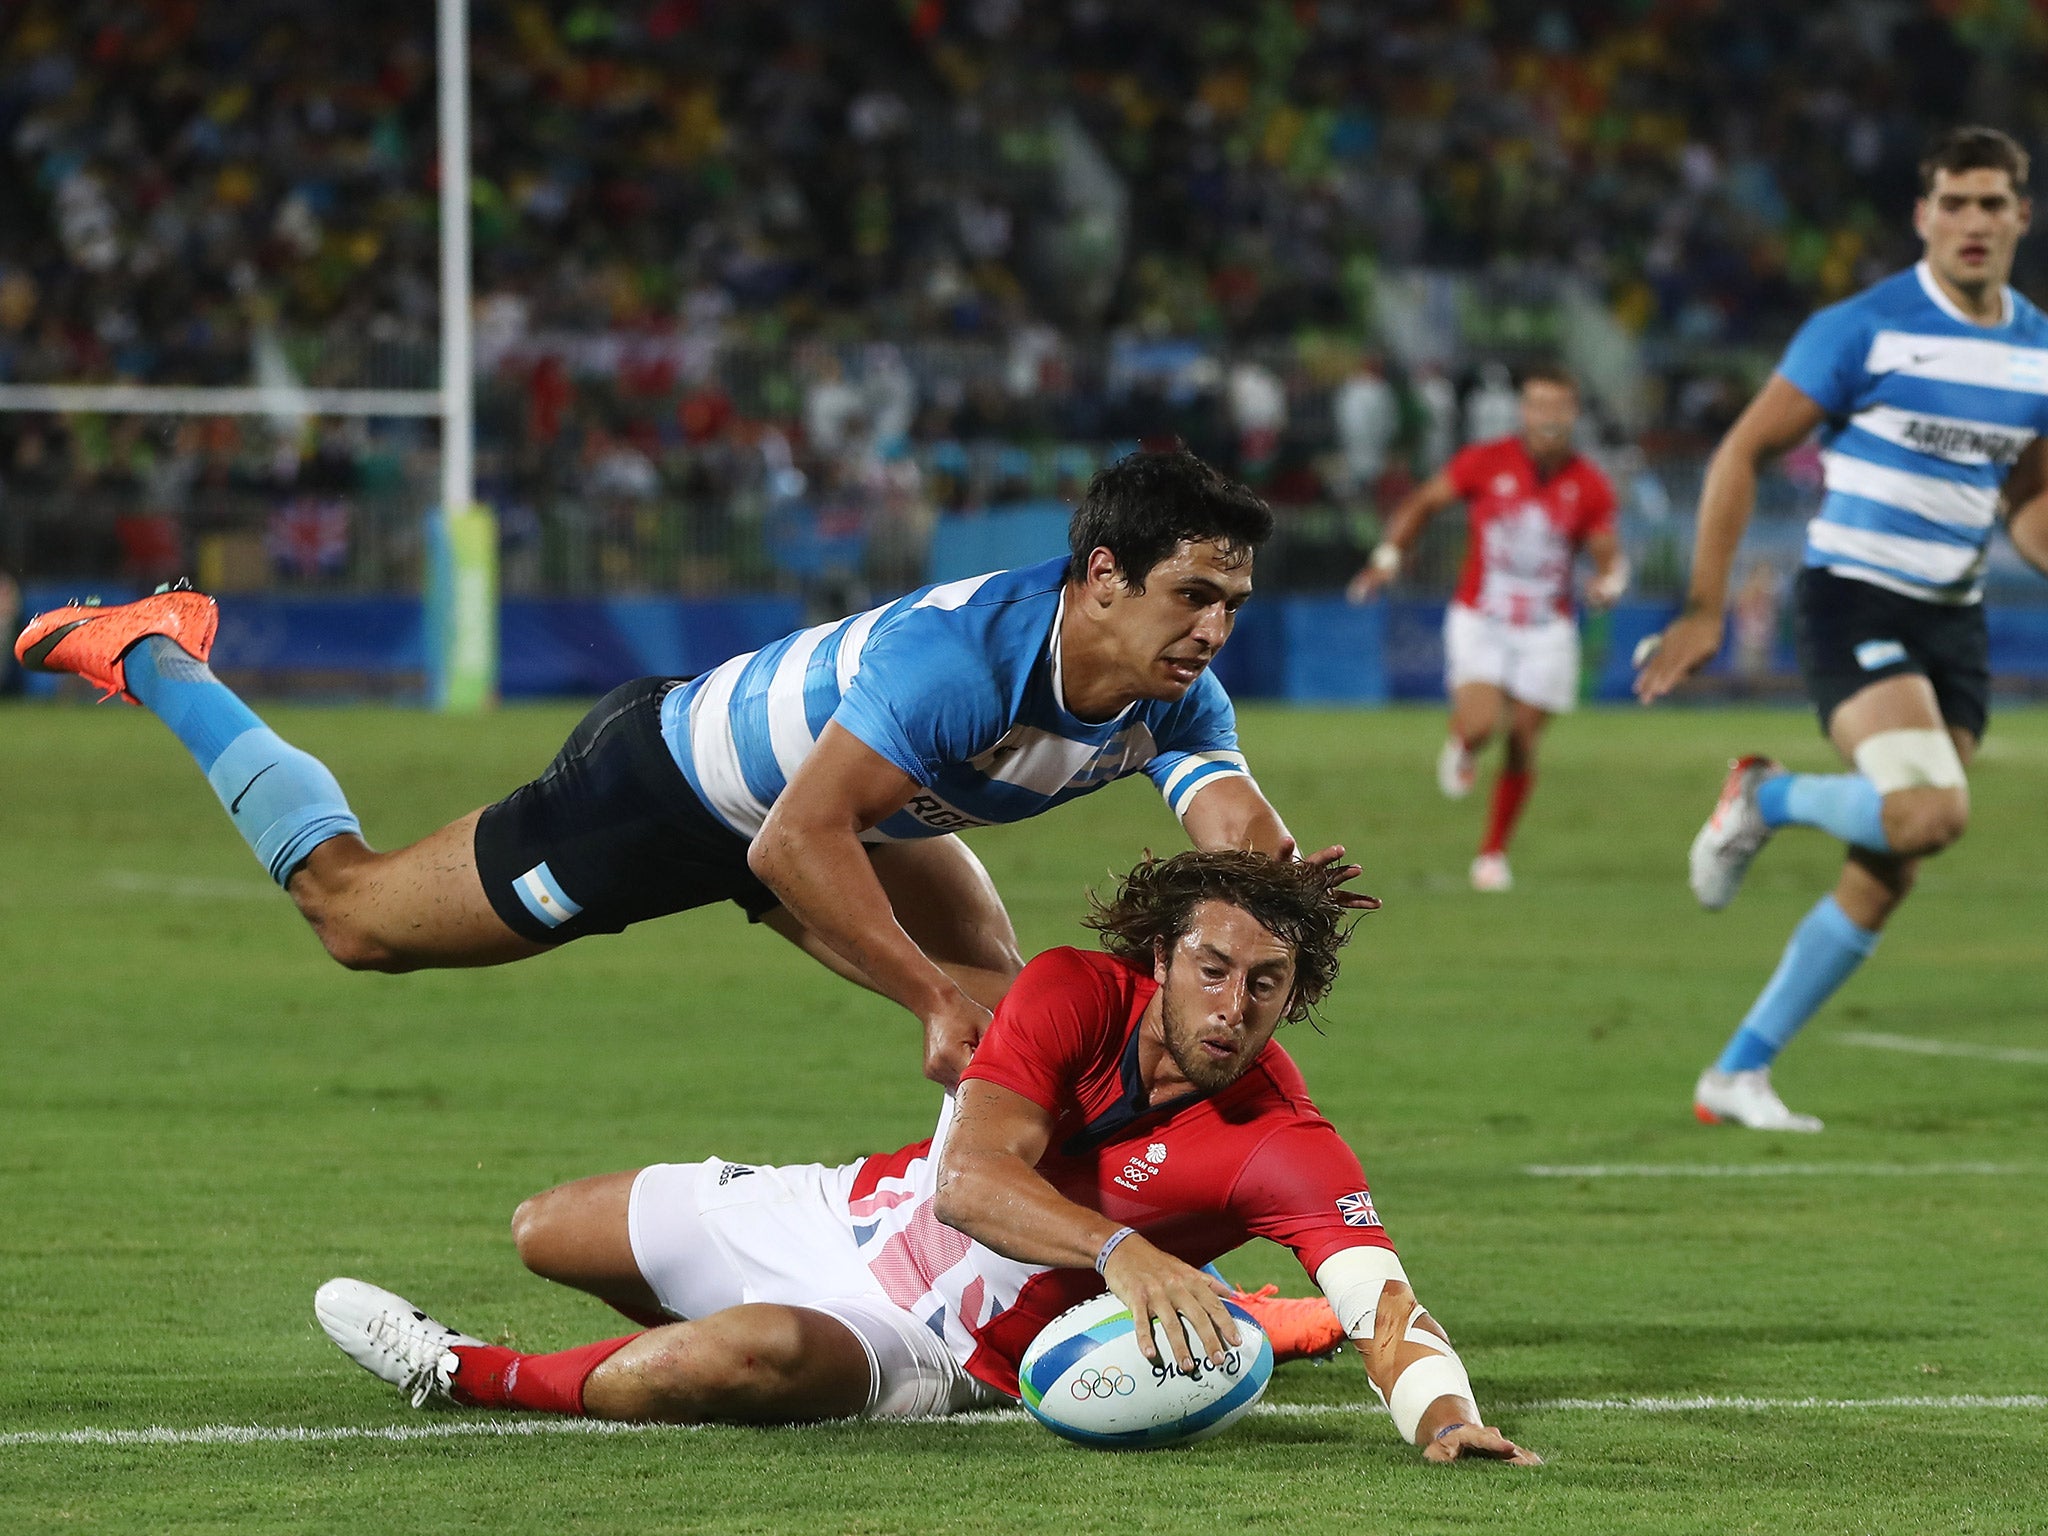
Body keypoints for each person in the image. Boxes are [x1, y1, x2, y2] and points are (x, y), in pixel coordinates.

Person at [15, 451, 1369, 1088]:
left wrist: (1288, 889)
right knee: (354, 916)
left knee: (1017, 1013)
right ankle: (157, 653)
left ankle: (1119, 1272)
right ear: (1102, 579)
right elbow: (789, 846)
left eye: (1233, 604)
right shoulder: (962, 664)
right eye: (1194, 594)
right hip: (671, 795)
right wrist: (919, 1003)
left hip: (847, 809)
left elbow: (1236, 824)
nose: (1215, 629)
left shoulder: (1175, 691)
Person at [314, 850, 1537, 1466]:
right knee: (545, 1229)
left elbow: (1383, 1297)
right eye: (1210, 971)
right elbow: (968, 1181)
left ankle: (473, 1375)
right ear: (1160, 959)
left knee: (756, 1353)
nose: (1231, 1006)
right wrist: (1120, 1251)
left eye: (1265, 986)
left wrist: (1444, 1420)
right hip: (844, 1217)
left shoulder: (1281, 1140)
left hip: (944, 1348)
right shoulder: (1066, 990)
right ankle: (678, 1368)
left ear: (1292, 997)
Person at [1635, 127, 2048, 1132]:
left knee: (1891, 862)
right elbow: (1738, 453)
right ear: (1922, 216)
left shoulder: (2035, 345)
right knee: (1925, 814)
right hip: (1852, 600)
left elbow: (2027, 499)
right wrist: (1702, 604)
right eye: (1952, 202)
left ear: (2019, 218)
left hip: (1950, 619)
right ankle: (1763, 794)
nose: (1971, 222)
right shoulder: (1862, 327)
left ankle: (1734, 1073)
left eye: (1991, 203)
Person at [1347, 366, 1627, 891]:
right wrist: (1387, 557)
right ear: (1524, 412)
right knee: (1481, 725)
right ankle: (1464, 743)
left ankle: (1492, 853)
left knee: (1523, 739)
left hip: (1547, 626)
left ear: (1574, 416)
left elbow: (1609, 553)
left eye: (1559, 407)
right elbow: (1423, 503)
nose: (1549, 417)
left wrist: (1609, 583)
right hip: (1483, 617)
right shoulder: (1487, 460)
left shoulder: (1588, 482)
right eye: (1539, 405)